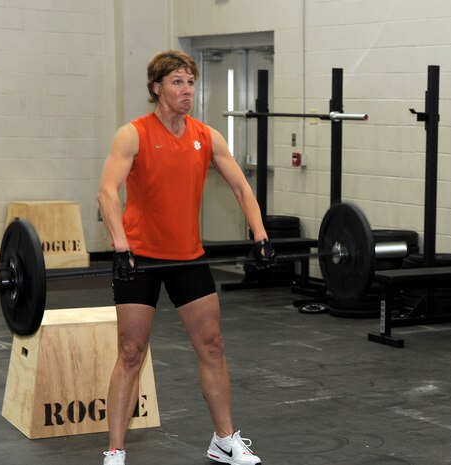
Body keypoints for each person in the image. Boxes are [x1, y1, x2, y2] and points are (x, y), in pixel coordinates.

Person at [97, 50, 274, 465]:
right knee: (131, 352)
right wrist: (120, 245)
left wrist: (261, 235)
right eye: (177, 82)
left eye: (191, 82)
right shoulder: (133, 134)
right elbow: (107, 191)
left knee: (212, 347)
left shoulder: (207, 135)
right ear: (156, 88)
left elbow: (241, 188)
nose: (187, 90)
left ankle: (224, 440)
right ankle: (116, 449)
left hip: (188, 257)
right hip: (138, 257)